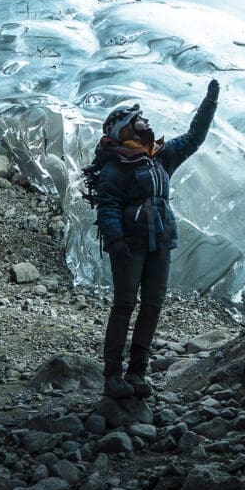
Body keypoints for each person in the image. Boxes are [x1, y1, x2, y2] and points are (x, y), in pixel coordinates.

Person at [82, 78, 220, 398]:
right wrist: (116, 243)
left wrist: (209, 102)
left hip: (160, 242)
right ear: (125, 131)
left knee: (153, 304)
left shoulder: (160, 156)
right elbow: (108, 206)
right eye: (139, 121)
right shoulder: (116, 166)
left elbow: (194, 138)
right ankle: (113, 374)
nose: (146, 124)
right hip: (130, 245)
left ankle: (137, 372)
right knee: (125, 305)